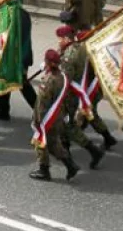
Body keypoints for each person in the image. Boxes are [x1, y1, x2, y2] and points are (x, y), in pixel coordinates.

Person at [57, 25, 106, 169]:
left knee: (69, 126)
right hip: (73, 94)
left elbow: (65, 79)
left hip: (68, 96)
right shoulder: (78, 49)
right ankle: (68, 154)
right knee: (65, 125)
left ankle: (93, 151)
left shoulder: (69, 56)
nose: (58, 41)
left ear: (66, 39)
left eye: (60, 39)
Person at [29, 50, 80, 181]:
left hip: (47, 118)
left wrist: (38, 120)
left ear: (47, 62)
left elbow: (42, 104)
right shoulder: (62, 76)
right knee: (53, 143)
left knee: (40, 142)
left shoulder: (48, 81)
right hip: (58, 115)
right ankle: (71, 165)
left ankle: (44, 170)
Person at [0, 0, 37, 120]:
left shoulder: (11, 15)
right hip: (21, 55)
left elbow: (6, 36)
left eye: (6, 0)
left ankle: (41, 111)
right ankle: (2, 111)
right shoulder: (24, 14)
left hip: (15, 56)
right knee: (6, 82)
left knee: (22, 85)